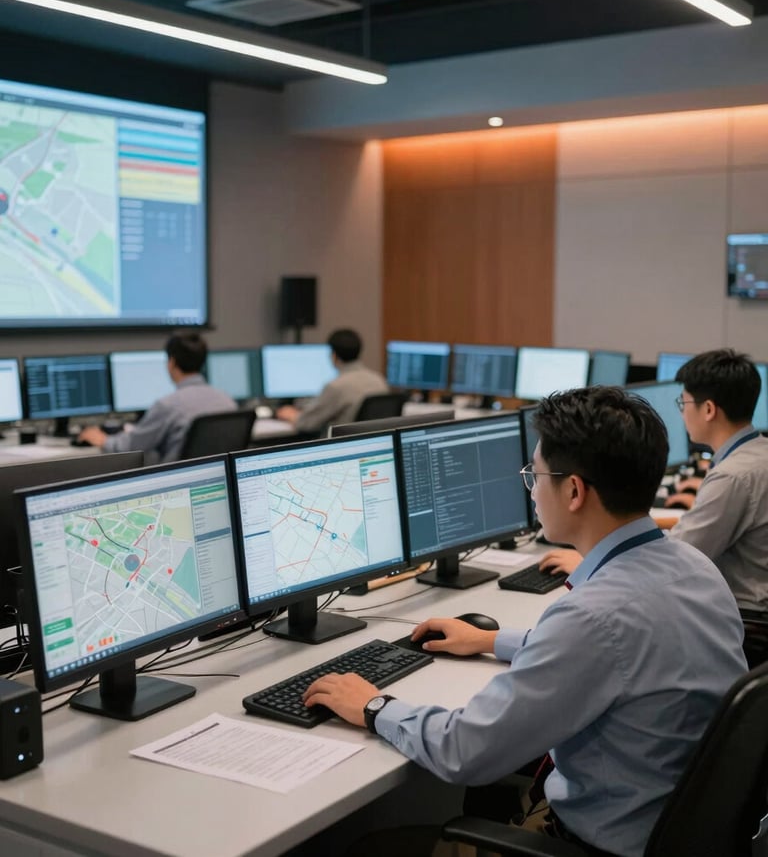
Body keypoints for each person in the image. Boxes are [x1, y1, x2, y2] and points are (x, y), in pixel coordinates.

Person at [303, 386, 746, 857]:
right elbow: (619, 653)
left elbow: (464, 751)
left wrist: (373, 706)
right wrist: (494, 640)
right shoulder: (695, 568)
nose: (531, 490)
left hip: (593, 843)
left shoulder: (591, 618)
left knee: (369, 847)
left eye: (534, 476)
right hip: (673, 827)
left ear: (574, 490)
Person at [541, 350, 768, 614]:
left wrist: (589, 560)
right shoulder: (757, 452)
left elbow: (676, 556)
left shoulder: (732, 476)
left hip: (746, 617)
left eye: (684, 404)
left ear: (708, 410)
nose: (682, 414)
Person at [78, 332, 236, 464]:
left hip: (178, 484)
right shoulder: (227, 401)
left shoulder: (168, 406)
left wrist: (103, 439)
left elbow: (131, 446)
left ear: (171, 362)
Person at [275, 328, 388, 435]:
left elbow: (307, 424)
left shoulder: (336, 386)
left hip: (340, 445)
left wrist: (290, 414)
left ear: (334, 355)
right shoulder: (378, 380)